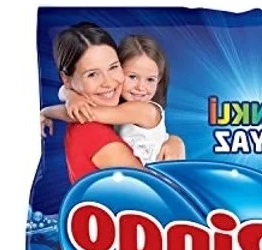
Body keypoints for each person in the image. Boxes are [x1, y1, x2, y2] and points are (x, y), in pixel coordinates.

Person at [41, 23, 184, 183]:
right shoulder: (90, 129)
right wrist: (70, 97)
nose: (109, 83)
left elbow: (86, 112)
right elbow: (77, 106)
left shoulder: (142, 110)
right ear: (67, 79)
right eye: (92, 74)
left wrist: (48, 111)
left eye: (113, 67)